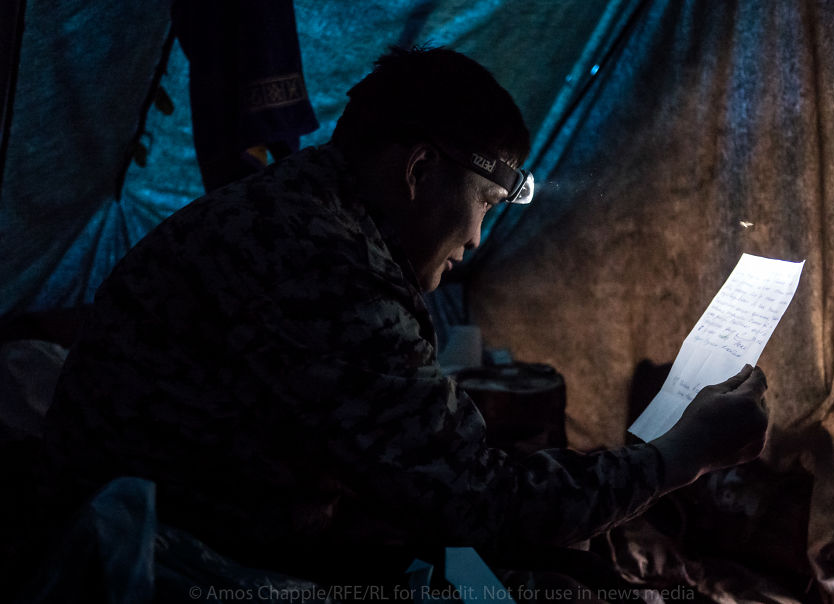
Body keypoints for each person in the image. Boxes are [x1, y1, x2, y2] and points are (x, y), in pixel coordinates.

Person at [42, 46, 768, 591]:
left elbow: (422, 471)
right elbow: (478, 502)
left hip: (208, 526)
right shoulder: (326, 266)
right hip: (176, 561)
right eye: (484, 203)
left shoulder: (300, 210)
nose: (478, 240)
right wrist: (681, 455)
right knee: (539, 586)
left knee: (520, 572)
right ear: (421, 171)